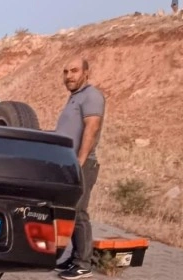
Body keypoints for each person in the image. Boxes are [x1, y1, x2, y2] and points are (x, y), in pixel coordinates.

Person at [54, 58, 105, 280]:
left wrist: (80, 161)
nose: (69, 76)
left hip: (82, 163)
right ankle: (75, 258)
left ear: (86, 72)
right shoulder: (75, 97)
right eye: (66, 72)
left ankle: (83, 264)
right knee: (70, 211)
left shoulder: (92, 95)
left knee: (79, 212)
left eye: (74, 71)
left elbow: (91, 128)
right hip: (69, 163)